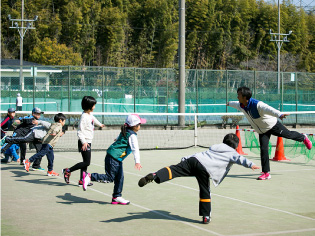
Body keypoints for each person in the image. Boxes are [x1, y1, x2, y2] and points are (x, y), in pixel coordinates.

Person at [138, 133, 260, 224]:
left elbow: (202, 154)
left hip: (194, 159)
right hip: (204, 168)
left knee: (174, 170)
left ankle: (155, 175)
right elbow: (240, 159)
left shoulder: (215, 147)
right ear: (236, 145)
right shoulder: (232, 152)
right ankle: (206, 216)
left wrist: (185, 158)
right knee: (205, 190)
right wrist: (251, 165)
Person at [227, 86, 312, 180]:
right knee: (263, 150)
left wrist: (279, 114)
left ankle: (303, 138)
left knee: (288, 135)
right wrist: (229, 103)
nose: (237, 97)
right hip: (262, 131)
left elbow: (269, 109)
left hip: (272, 125)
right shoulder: (241, 105)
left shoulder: (257, 105)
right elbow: (235, 104)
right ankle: (266, 173)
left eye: (238, 95)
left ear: (244, 97)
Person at [82, 114, 146, 205]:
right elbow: (135, 149)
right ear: (134, 126)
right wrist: (137, 161)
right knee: (110, 178)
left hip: (115, 158)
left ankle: (116, 197)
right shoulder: (132, 136)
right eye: (139, 124)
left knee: (120, 178)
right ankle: (89, 176)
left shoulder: (125, 130)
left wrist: (117, 139)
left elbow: (120, 138)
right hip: (113, 158)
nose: (140, 126)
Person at [62, 96, 105, 186]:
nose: (95, 107)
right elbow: (80, 131)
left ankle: (82, 180)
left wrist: (100, 124)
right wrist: (84, 142)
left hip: (88, 142)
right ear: (89, 106)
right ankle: (68, 170)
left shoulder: (89, 114)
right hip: (84, 142)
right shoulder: (84, 117)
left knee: (85, 162)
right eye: (94, 105)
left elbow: (94, 120)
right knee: (86, 162)